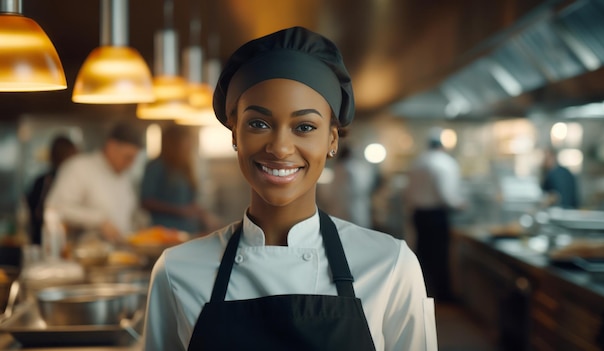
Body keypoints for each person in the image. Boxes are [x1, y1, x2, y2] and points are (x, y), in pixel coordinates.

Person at [143, 27, 436, 351]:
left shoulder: (391, 265)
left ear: (332, 140)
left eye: (305, 127)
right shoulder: (176, 271)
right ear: (234, 135)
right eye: (258, 123)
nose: (281, 148)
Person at [45, 122, 144, 244]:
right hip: (86, 255)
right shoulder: (79, 167)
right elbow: (56, 208)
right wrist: (98, 221)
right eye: (127, 157)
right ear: (111, 147)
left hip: (122, 253)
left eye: (134, 159)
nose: (130, 165)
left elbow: (130, 215)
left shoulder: (125, 177)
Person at [405, 127, 465, 302]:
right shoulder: (445, 163)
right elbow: (446, 195)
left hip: (418, 214)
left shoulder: (417, 162)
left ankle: (420, 293)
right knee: (440, 256)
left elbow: (408, 192)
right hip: (436, 215)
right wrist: (460, 205)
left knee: (422, 254)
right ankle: (443, 296)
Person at [140, 124, 215, 234]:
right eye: (185, 141)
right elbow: (146, 201)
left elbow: (190, 200)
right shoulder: (156, 166)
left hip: (189, 230)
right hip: (165, 231)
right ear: (174, 144)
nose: (189, 145)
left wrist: (203, 215)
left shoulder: (185, 168)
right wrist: (179, 210)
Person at [25, 135, 78, 245]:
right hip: (45, 240)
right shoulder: (46, 181)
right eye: (73, 154)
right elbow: (38, 212)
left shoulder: (74, 178)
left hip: (67, 241)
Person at [320, 144, 380, 228]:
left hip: (346, 207)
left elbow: (334, 191)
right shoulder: (361, 167)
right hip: (356, 207)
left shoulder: (343, 168)